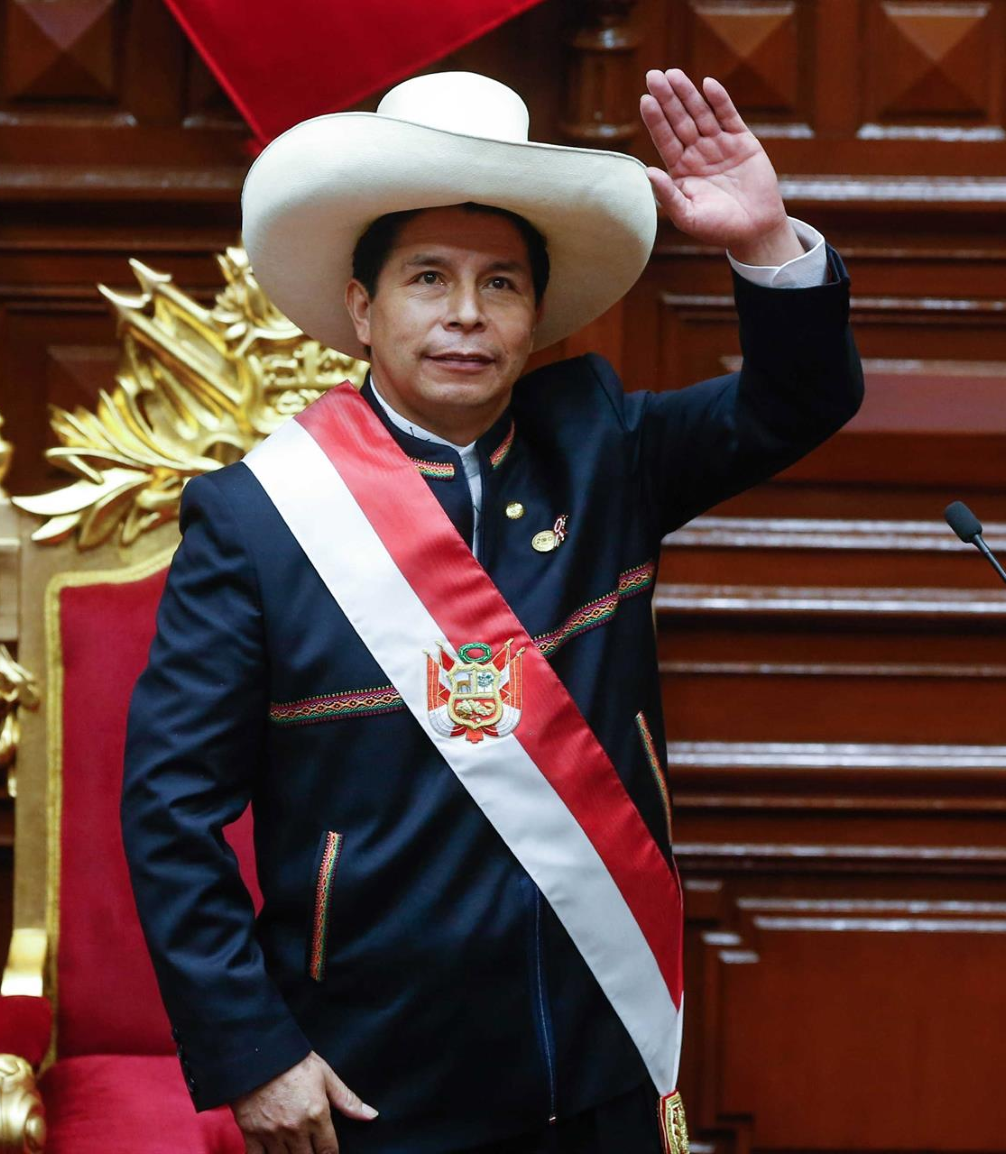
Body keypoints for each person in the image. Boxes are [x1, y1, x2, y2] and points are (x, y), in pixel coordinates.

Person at [121, 66, 863, 1154]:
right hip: (371, 1077)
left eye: (500, 283)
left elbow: (801, 400)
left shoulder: (603, 447)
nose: (465, 314)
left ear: (534, 316)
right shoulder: (258, 518)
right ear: (362, 308)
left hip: (600, 1049)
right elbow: (170, 808)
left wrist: (761, 241)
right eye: (428, 277)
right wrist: (253, 1049)